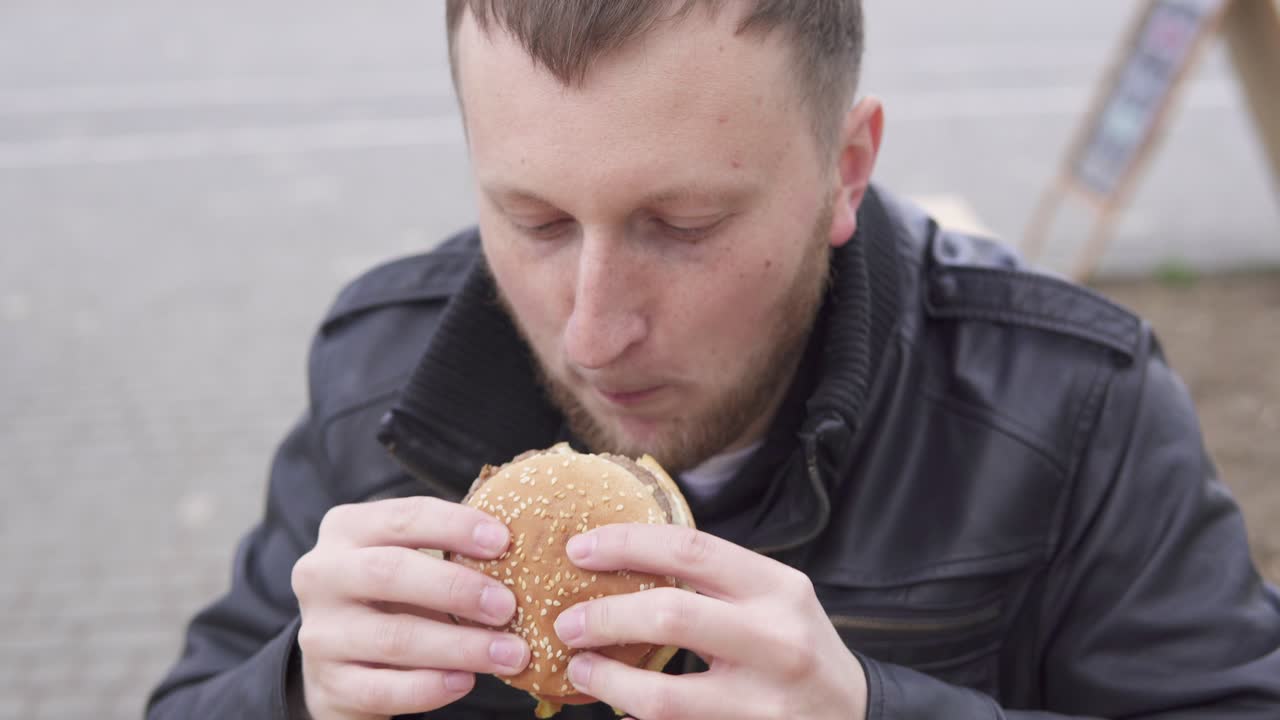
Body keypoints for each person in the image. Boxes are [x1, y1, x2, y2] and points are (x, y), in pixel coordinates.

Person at [147, 1, 1280, 718]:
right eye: (534, 222)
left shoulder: (1072, 405)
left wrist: (872, 711)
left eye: (681, 227)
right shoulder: (375, 372)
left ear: (844, 168)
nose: (591, 334)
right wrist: (291, 692)